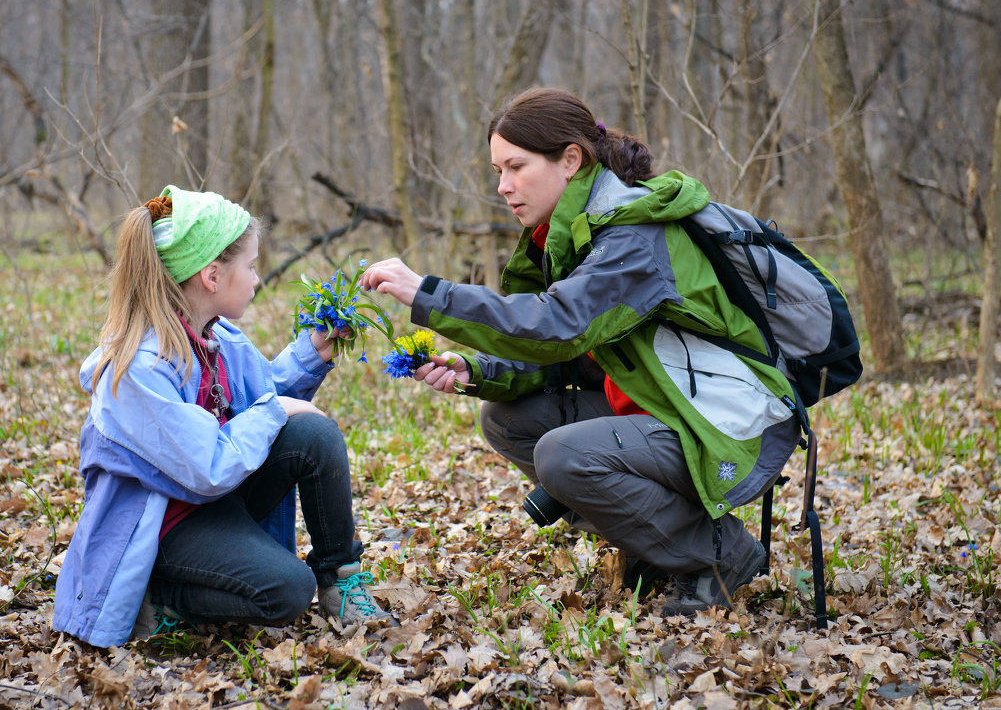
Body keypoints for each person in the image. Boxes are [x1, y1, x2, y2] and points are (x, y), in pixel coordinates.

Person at [360, 87, 802, 616]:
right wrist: (477, 368)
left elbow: (559, 324)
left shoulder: (633, 234)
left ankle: (720, 554)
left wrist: (428, 293)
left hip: (720, 421)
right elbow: (572, 352)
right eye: (498, 171)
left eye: (516, 167)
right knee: (507, 419)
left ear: (570, 160)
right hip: (660, 407)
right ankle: (659, 545)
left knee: (562, 455)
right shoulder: (573, 235)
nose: (503, 186)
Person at [53, 185, 393, 648]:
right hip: (162, 530)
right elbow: (208, 466)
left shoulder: (217, 336)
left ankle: (341, 580)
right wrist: (276, 409)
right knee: (287, 592)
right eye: (250, 267)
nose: (256, 279)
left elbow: (263, 401)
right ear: (212, 276)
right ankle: (161, 594)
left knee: (314, 433)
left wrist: (311, 355)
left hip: (216, 503)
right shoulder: (138, 369)